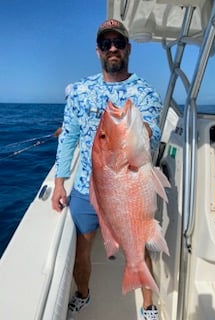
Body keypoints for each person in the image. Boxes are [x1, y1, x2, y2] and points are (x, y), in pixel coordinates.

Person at [52, 19, 163, 320]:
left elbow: (153, 132)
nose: (112, 48)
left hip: (128, 183)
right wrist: (61, 182)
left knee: (138, 246)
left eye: (118, 43)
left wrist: (135, 132)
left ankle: (149, 307)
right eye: (106, 43)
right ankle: (83, 294)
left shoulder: (146, 92)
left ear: (128, 48)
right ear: (98, 50)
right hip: (87, 187)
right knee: (81, 250)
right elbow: (70, 138)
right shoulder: (80, 91)